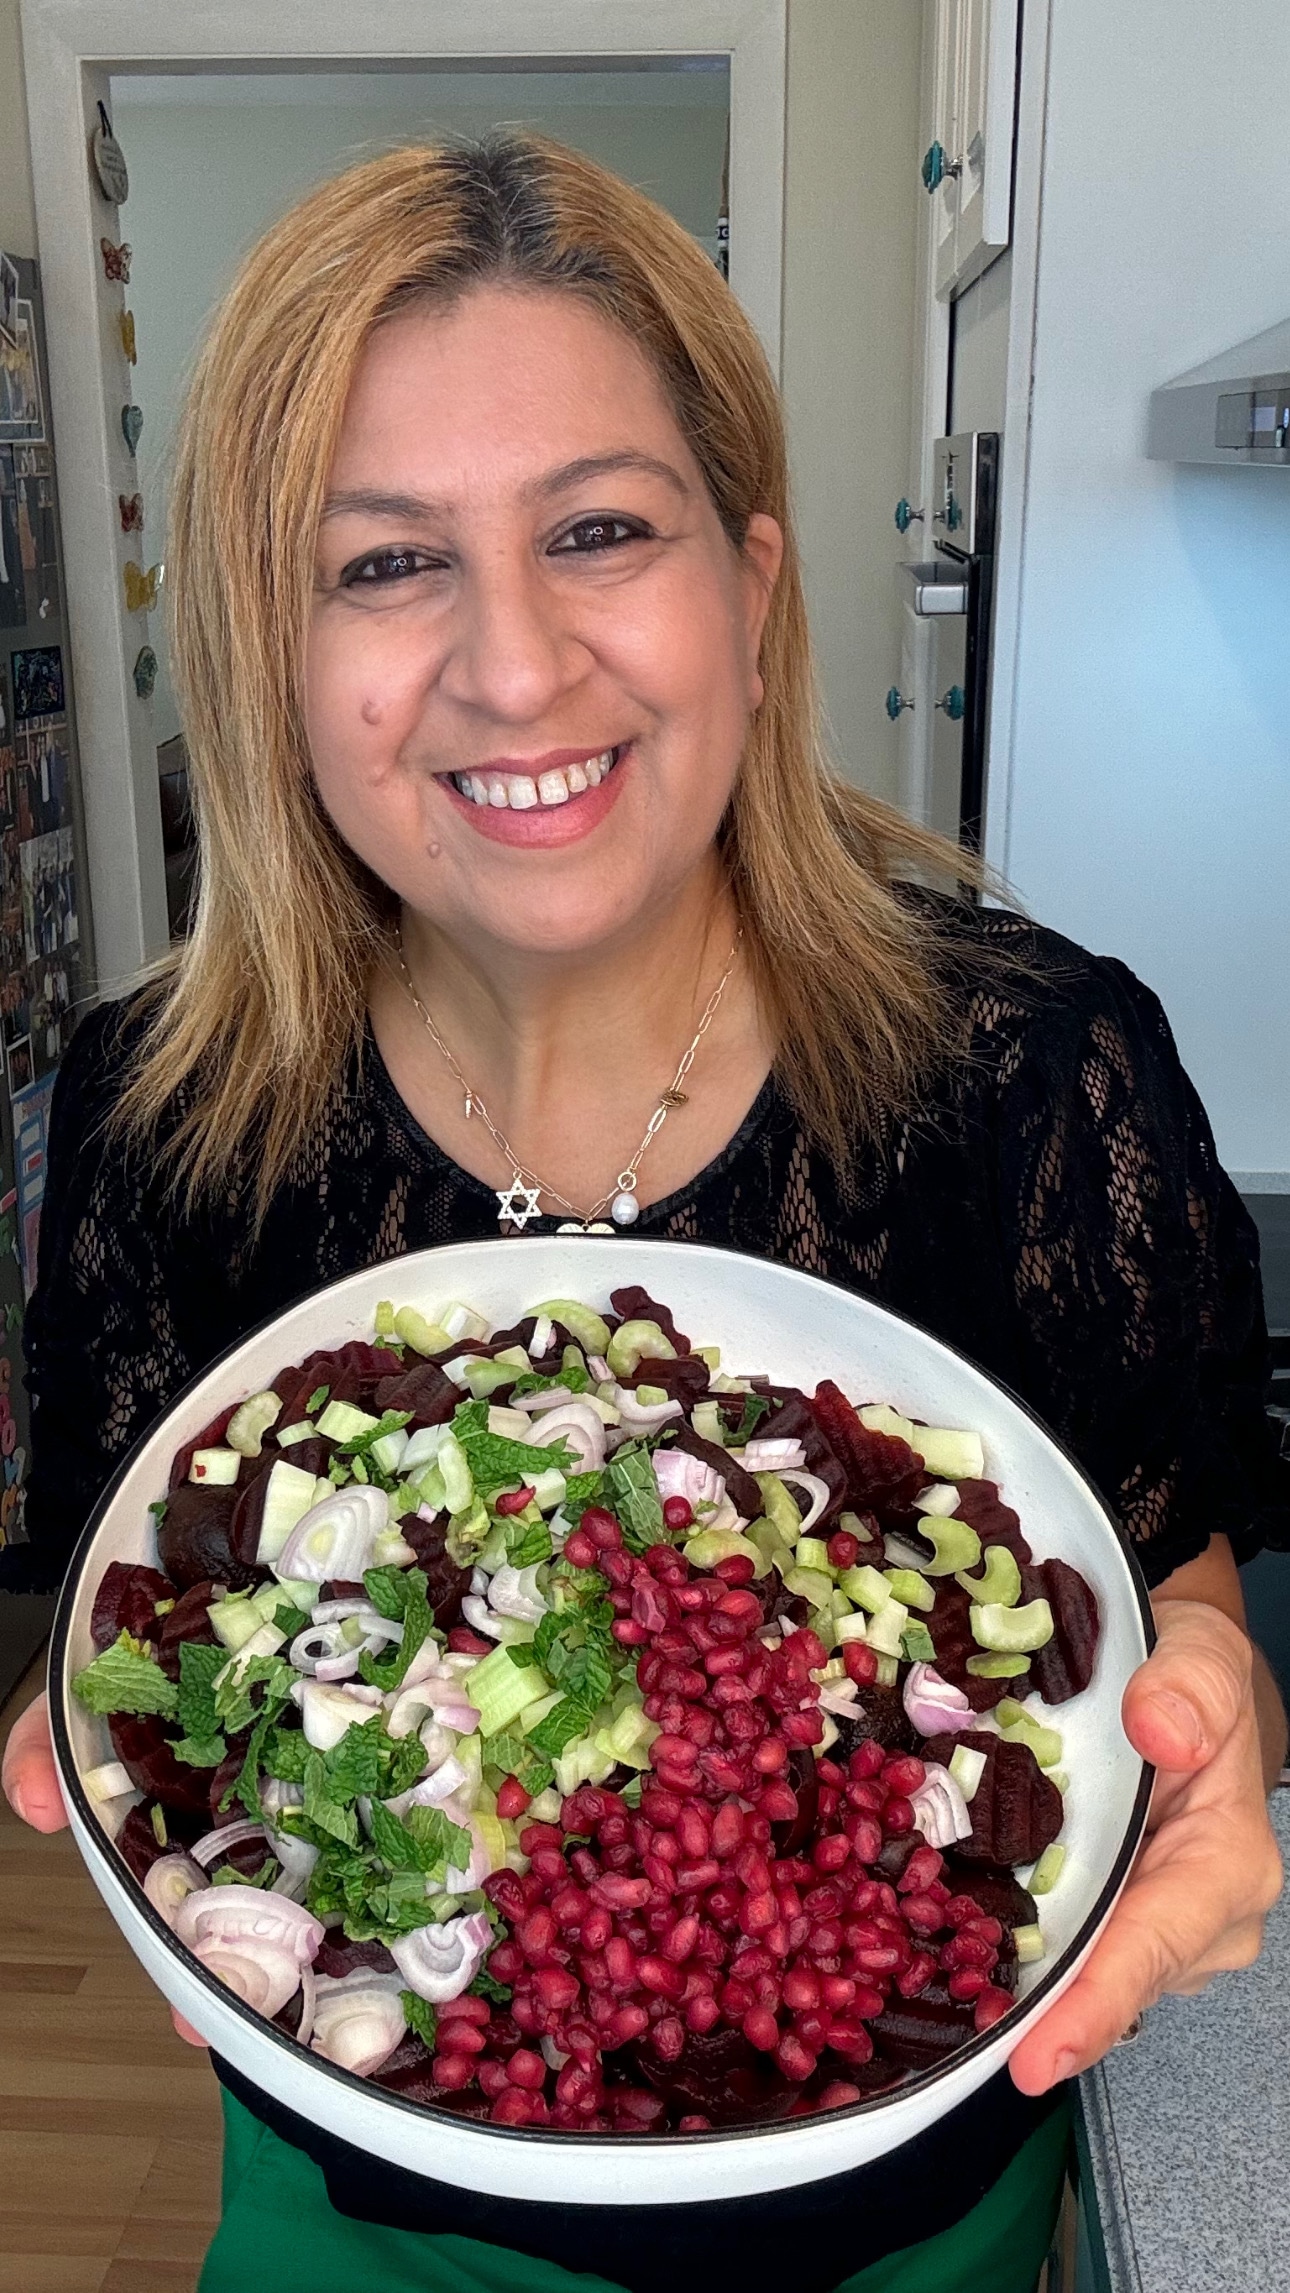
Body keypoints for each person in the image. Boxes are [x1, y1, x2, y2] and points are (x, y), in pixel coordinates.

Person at [1, 134, 1285, 2293]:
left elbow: (1152, 1591)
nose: (515, 668)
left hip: (908, 2231)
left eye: (600, 529)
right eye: (384, 564)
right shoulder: (154, 1123)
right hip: (347, 2225)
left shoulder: (1032, 1073)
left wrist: (1219, 1718)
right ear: (271, 653)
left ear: (755, 592)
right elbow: (122, 1617)